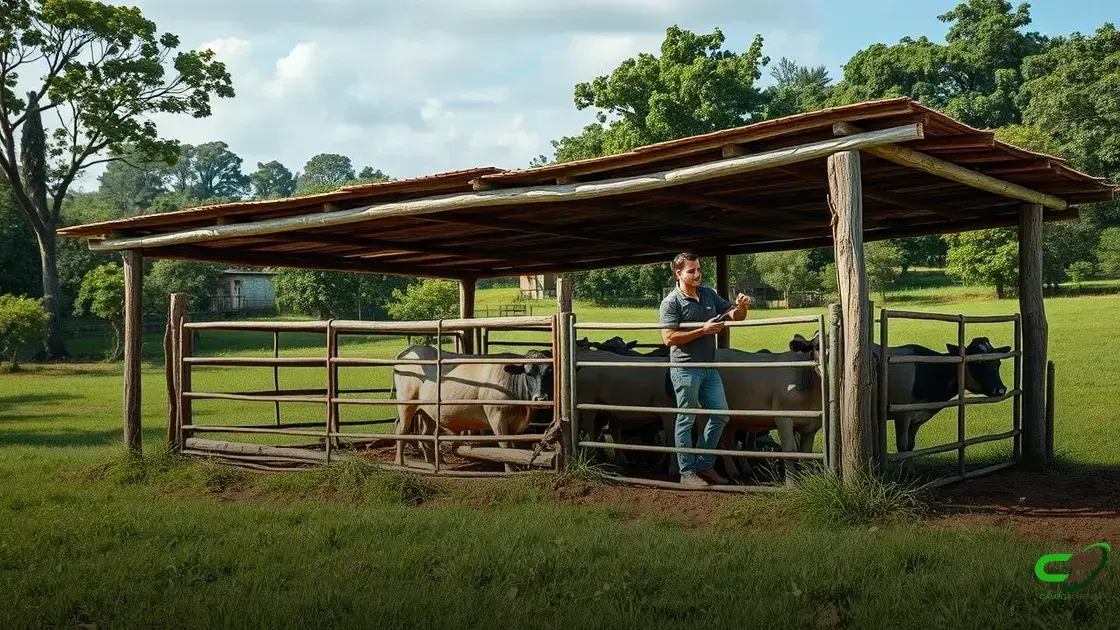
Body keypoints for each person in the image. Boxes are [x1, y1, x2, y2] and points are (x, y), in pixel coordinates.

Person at [658, 252, 751, 487]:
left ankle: (703, 463)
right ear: (678, 273)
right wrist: (703, 330)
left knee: (721, 414)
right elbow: (668, 338)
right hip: (685, 369)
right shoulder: (671, 302)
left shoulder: (708, 293)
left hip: (709, 368)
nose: (697, 274)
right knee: (686, 419)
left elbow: (733, 315)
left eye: (699, 269)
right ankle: (687, 473)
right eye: (692, 271)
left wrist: (741, 307)